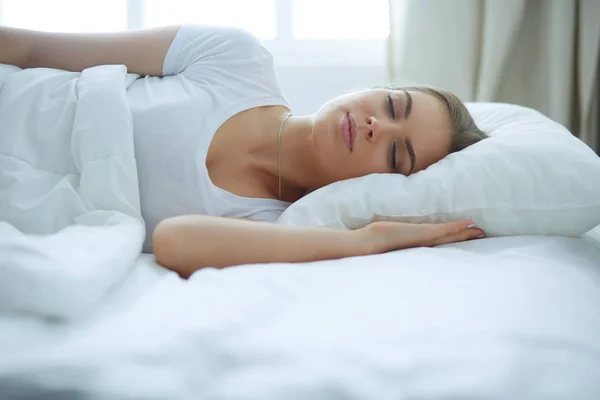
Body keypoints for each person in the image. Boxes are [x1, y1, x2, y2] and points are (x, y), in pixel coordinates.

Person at [0, 24, 487, 277]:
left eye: (396, 155)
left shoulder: (278, 224)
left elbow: (174, 240)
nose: (375, 125)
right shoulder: (235, 58)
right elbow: (33, 50)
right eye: (390, 104)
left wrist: (367, 240)